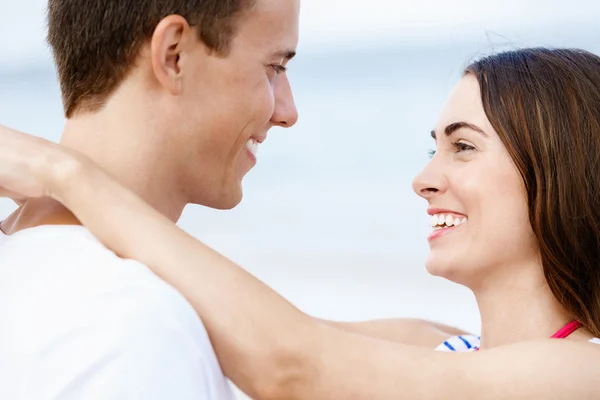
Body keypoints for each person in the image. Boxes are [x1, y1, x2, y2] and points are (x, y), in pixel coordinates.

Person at [2, 47, 600, 399]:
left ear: (561, 166)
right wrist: (37, 238)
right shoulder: (435, 345)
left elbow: (288, 362)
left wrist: (66, 173)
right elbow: (229, 318)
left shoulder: (585, 370)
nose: (424, 180)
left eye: (464, 147)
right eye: (432, 149)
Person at [0, 0, 301, 398]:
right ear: (174, 55)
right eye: (274, 68)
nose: (288, 111)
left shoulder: (23, 265)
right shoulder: (134, 325)